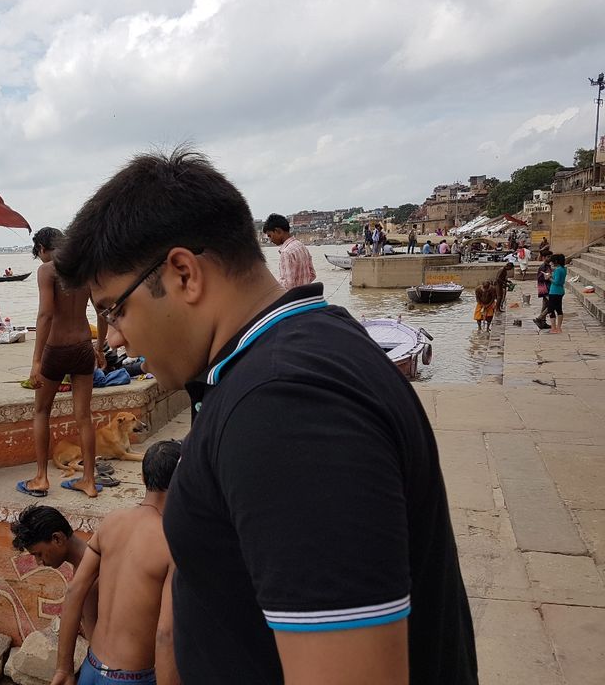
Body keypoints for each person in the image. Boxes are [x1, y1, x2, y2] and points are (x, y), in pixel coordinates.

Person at [53, 148, 477, 685]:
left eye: (114, 308)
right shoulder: (297, 355)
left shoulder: (284, 405)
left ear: (184, 274)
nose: (112, 336)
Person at [50, 440, 181, 685]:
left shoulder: (111, 522)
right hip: (134, 678)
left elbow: (74, 590)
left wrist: (64, 668)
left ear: (142, 478)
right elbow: (166, 634)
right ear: (184, 484)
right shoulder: (172, 544)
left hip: (91, 669)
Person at [19, 227, 106, 499]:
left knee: (42, 411)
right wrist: (99, 346)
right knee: (84, 416)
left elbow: (45, 315)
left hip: (55, 349)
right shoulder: (84, 269)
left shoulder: (47, 270)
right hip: (82, 347)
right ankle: (89, 481)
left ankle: (41, 478)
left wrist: (35, 361)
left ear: (44, 248)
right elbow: (102, 309)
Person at [11, 505, 99, 638]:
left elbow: (95, 638)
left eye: (39, 554)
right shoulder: (85, 563)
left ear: (57, 539)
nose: (38, 562)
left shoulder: (90, 577)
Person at [262, 214, 316, 291]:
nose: (270, 240)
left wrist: (272, 285)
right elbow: (312, 274)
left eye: (270, 235)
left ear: (278, 231)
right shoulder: (301, 246)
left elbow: (287, 285)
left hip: (294, 300)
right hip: (305, 296)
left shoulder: (286, 253)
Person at [533, 253, 553, 329]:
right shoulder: (543, 266)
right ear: (544, 257)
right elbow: (539, 278)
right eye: (548, 256)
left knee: (545, 305)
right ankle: (539, 318)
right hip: (545, 287)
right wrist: (547, 277)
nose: (550, 258)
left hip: (547, 287)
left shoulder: (548, 266)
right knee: (552, 304)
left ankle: (543, 323)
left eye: (551, 256)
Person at [548, 253, 567, 333]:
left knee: (551, 310)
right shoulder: (563, 269)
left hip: (555, 291)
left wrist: (549, 278)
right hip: (560, 291)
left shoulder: (558, 270)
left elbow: (556, 282)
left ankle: (554, 328)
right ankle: (559, 328)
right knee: (559, 309)